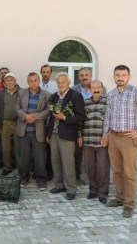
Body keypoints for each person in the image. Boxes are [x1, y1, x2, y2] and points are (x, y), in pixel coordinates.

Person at [101, 65, 137, 218]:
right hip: (113, 137)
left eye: (123, 75)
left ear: (128, 76)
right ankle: (120, 198)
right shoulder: (111, 95)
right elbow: (108, 116)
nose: (120, 78)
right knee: (117, 171)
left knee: (129, 172)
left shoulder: (136, 92)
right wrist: (106, 134)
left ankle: (129, 204)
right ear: (114, 76)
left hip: (128, 138)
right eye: (117, 75)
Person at [47, 72, 86, 200]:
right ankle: (59, 185)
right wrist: (48, 133)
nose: (60, 84)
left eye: (63, 82)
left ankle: (71, 189)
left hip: (67, 134)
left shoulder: (76, 96)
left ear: (68, 83)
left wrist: (64, 117)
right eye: (58, 82)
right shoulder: (54, 97)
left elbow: (81, 116)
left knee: (68, 162)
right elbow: (50, 117)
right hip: (54, 133)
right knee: (55, 161)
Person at [16, 72, 51, 190]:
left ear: (39, 81)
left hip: (39, 130)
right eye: (30, 81)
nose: (33, 83)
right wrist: (25, 116)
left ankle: (41, 179)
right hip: (24, 130)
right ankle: (24, 177)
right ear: (27, 82)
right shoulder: (21, 93)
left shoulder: (47, 95)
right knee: (24, 156)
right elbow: (17, 108)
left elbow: (47, 111)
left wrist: (34, 116)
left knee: (40, 157)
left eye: (35, 80)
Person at [72, 67, 108, 180]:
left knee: (100, 160)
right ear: (79, 77)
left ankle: (98, 179)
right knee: (78, 154)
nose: (84, 77)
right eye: (82, 75)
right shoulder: (74, 89)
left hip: (98, 129)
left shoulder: (101, 88)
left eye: (86, 75)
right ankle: (77, 175)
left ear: (91, 75)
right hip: (81, 126)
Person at [78, 80, 109, 204]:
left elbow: (111, 121)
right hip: (88, 141)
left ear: (102, 88)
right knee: (90, 168)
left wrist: (108, 136)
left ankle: (103, 192)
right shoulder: (85, 104)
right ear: (90, 89)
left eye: (98, 87)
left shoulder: (108, 103)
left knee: (103, 168)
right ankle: (93, 190)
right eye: (93, 87)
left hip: (102, 142)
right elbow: (81, 121)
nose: (96, 89)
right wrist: (79, 135)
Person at [0, 73, 20, 176]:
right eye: (7, 80)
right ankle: (7, 167)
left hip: (18, 123)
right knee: (5, 147)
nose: (9, 82)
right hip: (5, 122)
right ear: (4, 83)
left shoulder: (21, 92)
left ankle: (21, 167)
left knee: (18, 146)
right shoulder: (1, 93)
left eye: (11, 80)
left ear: (15, 82)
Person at [40, 64, 57, 181]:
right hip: (39, 122)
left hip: (51, 121)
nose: (45, 74)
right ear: (41, 73)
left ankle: (50, 171)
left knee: (50, 148)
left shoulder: (55, 86)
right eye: (43, 72)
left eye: (47, 72)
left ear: (51, 73)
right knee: (39, 147)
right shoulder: (37, 84)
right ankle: (39, 170)